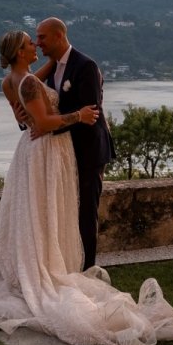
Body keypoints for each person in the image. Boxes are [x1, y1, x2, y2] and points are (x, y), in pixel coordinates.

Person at [0, 30, 173, 345]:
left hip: (30, 155)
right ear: (20, 51)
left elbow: (29, 98)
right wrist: (80, 115)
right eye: (31, 43)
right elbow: (42, 123)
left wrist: (52, 62)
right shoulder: (29, 82)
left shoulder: (11, 81)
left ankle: (35, 260)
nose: (36, 44)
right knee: (46, 210)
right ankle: (45, 267)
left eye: (40, 39)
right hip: (45, 149)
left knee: (35, 212)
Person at [35, 17, 115, 270]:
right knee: (68, 210)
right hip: (66, 151)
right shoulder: (53, 68)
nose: (38, 43)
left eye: (42, 37)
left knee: (86, 213)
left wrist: (49, 125)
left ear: (59, 36)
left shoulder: (85, 65)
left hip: (88, 151)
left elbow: (89, 113)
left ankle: (88, 269)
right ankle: (70, 262)